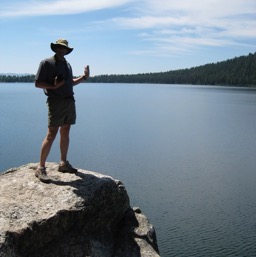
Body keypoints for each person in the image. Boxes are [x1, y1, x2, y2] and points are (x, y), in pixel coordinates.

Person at [35, 39, 90, 183]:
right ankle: (40, 168)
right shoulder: (46, 63)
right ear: (55, 48)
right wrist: (53, 87)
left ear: (66, 50)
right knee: (51, 133)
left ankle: (63, 163)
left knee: (65, 131)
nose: (61, 50)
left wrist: (84, 77)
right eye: (59, 47)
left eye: (63, 48)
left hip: (69, 101)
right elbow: (38, 83)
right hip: (56, 102)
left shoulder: (67, 64)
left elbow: (70, 83)